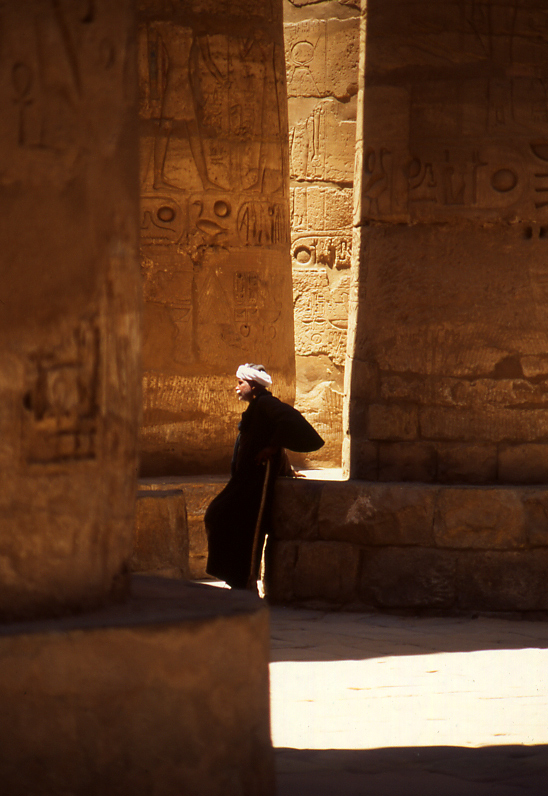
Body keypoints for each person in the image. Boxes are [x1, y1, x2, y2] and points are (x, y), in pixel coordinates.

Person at [205, 363, 324, 590]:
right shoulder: (258, 407)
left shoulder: (266, 403)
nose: (237, 388)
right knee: (219, 516)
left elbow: (289, 420)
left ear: (253, 385)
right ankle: (237, 578)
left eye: (240, 383)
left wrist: (272, 448)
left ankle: (246, 580)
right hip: (244, 479)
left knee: (247, 527)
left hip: (255, 481)